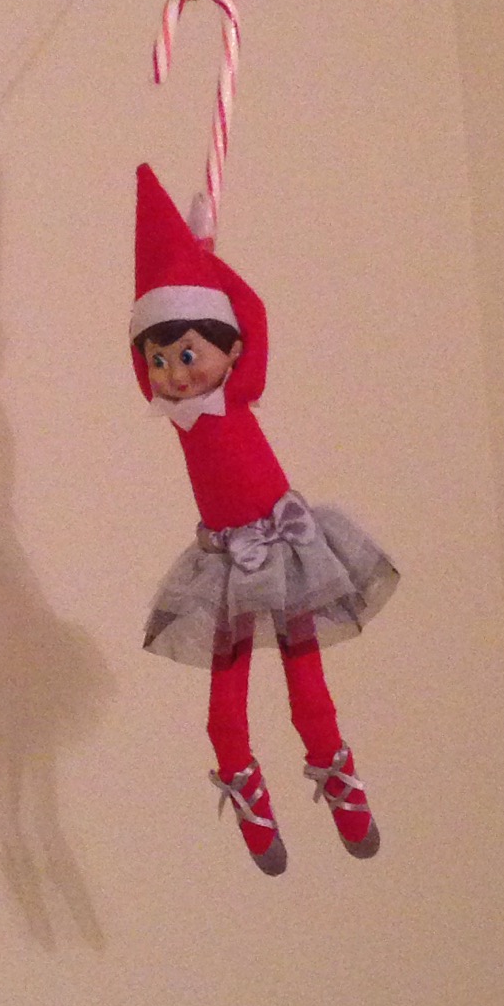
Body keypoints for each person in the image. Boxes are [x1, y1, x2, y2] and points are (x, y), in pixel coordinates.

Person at [130, 163, 395, 874]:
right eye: (159, 359)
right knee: (226, 704)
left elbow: (254, 313)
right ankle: (247, 793)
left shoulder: (236, 390)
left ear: (230, 350)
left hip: (286, 545)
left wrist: (210, 264)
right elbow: (151, 350)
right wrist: (191, 270)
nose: (175, 372)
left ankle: (342, 787)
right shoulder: (177, 414)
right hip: (223, 561)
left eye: (189, 354)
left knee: (308, 685)